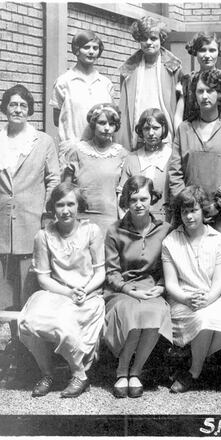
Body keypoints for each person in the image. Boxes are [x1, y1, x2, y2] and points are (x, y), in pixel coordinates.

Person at [18, 183, 105, 398]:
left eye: (70, 204)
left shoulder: (91, 231)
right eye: (60, 204)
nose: (65, 210)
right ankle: (47, 373)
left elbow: (100, 273)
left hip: (87, 295)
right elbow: (44, 279)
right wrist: (67, 292)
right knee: (27, 322)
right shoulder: (44, 236)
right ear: (53, 207)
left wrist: (83, 290)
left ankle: (79, 374)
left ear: (79, 206)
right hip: (55, 293)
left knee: (63, 321)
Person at [162, 185, 221, 393]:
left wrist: (208, 299)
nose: (189, 216)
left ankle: (191, 359)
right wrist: (187, 299)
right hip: (182, 300)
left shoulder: (217, 239)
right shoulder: (170, 241)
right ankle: (193, 373)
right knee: (203, 321)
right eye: (184, 211)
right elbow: (171, 284)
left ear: (203, 211)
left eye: (194, 210)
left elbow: (219, 282)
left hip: (212, 297)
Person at [103, 176, 172, 399]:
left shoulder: (165, 229)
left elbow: (168, 267)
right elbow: (112, 273)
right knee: (133, 311)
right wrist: (129, 290)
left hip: (152, 288)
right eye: (133, 199)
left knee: (155, 311)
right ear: (127, 201)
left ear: (152, 199)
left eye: (144, 198)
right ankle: (122, 370)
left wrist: (161, 287)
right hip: (122, 291)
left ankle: (136, 372)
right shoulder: (115, 231)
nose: (139, 204)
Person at [168, 69, 221, 255]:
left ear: (220, 94)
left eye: (210, 90)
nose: (204, 96)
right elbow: (175, 171)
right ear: (193, 95)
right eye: (200, 91)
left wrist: (217, 205)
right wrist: (189, 205)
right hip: (190, 212)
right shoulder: (184, 129)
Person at [0, 85, 59, 310]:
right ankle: (11, 339)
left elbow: (53, 179)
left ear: (29, 110)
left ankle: (26, 341)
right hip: (2, 227)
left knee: (29, 289)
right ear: (5, 108)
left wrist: (46, 214)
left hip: (31, 223)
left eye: (23, 105)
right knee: (4, 292)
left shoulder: (42, 141)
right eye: (13, 104)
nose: (18, 110)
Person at [62, 103, 128, 234]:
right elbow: (66, 188)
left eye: (111, 124)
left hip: (110, 219)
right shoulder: (77, 151)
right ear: (93, 124)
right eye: (102, 123)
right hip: (81, 218)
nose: (107, 128)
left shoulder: (121, 154)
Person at [118, 16, 182, 149]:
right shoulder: (128, 70)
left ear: (161, 39)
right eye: (144, 38)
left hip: (165, 133)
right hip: (139, 134)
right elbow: (124, 110)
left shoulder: (174, 68)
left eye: (153, 38)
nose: (148, 42)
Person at [49, 30, 114, 159]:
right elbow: (57, 120)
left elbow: (110, 118)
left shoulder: (106, 83)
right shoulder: (64, 82)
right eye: (86, 47)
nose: (91, 51)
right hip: (73, 150)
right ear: (77, 50)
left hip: (102, 150)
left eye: (95, 48)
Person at [174, 32, 221, 127]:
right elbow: (178, 117)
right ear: (195, 52)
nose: (207, 55)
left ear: (219, 51)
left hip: (220, 134)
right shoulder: (188, 81)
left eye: (212, 50)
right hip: (192, 135)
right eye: (202, 50)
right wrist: (180, 139)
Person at [118, 108, 171, 222]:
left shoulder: (172, 157)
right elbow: (122, 196)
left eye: (156, 128)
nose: (151, 133)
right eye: (147, 128)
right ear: (141, 131)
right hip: (136, 223)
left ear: (164, 129)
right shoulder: (132, 158)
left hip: (165, 221)